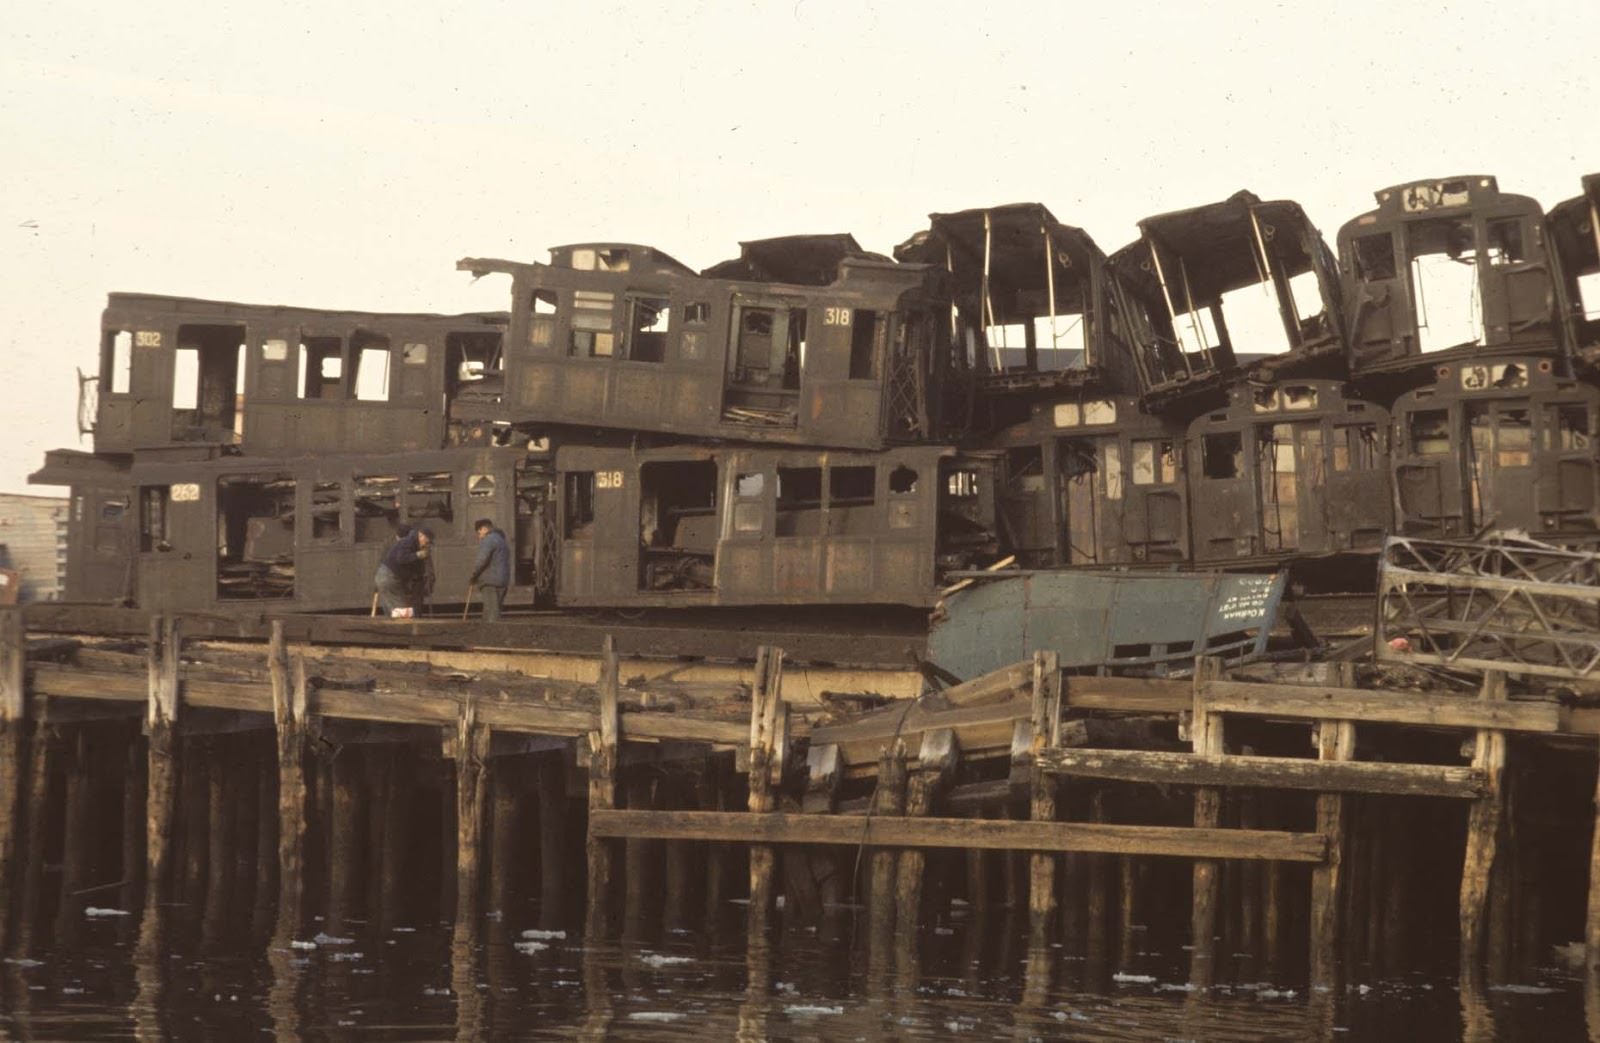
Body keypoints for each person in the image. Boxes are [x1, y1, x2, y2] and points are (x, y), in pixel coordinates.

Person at [468, 518, 510, 622]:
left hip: (490, 581)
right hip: (502, 581)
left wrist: (474, 576)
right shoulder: (502, 540)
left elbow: (481, 560)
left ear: (484, 529)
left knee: (491, 615)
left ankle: (491, 636)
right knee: (495, 611)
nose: (479, 536)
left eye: (479, 532)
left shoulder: (488, 540)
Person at [374, 524, 419, 616]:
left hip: (388, 579)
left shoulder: (388, 543)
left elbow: (380, 563)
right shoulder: (396, 545)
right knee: (400, 611)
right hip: (394, 580)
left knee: (391, 610)